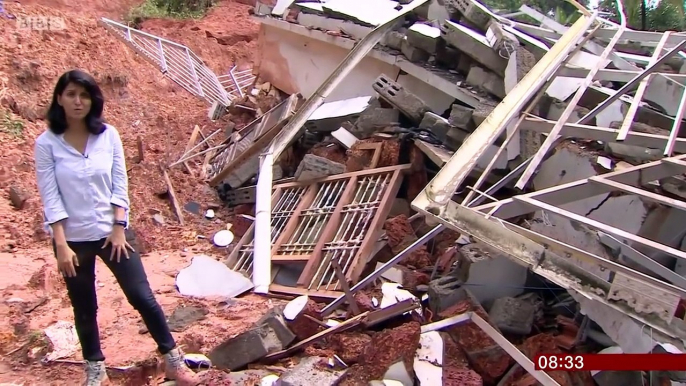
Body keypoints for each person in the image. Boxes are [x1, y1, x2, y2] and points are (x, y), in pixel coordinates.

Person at [34, 69, 200, 386]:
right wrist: (60, 246)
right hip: (73, 240)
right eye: (71, 94)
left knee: (142, 296)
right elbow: (50, 195)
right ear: (59, 99)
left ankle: (173, 362)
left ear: (93, 100)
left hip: (114, 234)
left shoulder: (107, 135)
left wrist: (119, 225)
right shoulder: (47, 144)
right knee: (84, 308)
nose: (78, 101)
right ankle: (96, 372)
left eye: (84, 95)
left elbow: (119, 184)